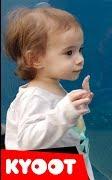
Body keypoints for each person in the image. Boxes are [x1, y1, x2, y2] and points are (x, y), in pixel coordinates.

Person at [3, 6, 95, 179]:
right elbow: (28, 142)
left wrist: (77, 106)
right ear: (35, 59)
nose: (80, 59)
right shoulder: (33, 97)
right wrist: (65, 113)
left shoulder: (52, 86)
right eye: (69, 52)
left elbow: (62, 122)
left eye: (80, 50)